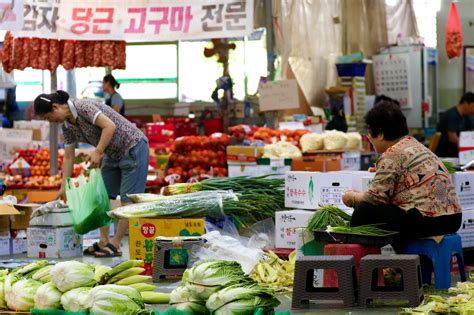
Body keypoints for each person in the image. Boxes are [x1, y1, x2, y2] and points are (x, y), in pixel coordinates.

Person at [34, 90, 149, 257]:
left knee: (127, 201)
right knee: (102, 197)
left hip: (133, 147)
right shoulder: (67, 125)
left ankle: (116, 244)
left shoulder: (83, 106)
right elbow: (68, 156)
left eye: (47, 117)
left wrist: (98, 151)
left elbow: (110, 126)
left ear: (55, 107)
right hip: (111, 153)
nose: (49, 121)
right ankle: (104, 242)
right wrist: (64, 185)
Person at [342, 100, 461, 241]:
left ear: (380, 133)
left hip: (428, 221)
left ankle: (368, 260)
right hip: (453, 219)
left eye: (369, 131)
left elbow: (375, 198)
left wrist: (352, 197)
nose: (368, 137)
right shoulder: (417, 146)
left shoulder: (391, 154)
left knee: (364, 211)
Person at [436, 92, 474, 157]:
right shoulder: (452, 115)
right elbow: (452, 138)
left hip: (459, 153)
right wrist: (467, 145)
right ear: (465, 103)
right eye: (473, 106)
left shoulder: (467, 116)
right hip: (447, 154)